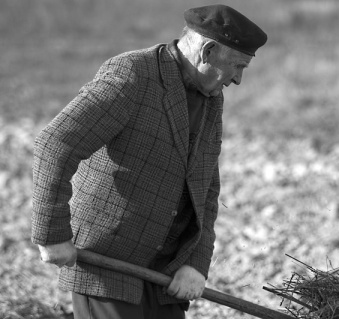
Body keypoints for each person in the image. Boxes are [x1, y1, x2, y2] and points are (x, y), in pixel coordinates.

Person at [31, 4, 267, 319]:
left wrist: (195, 264)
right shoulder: (133, 74)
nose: (237, 79)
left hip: (166, 276)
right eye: (237, 66)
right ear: (207, 51)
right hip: (108, 268)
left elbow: (206, 186)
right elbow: (56, 143)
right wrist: (52, 234)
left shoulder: (211, 97)